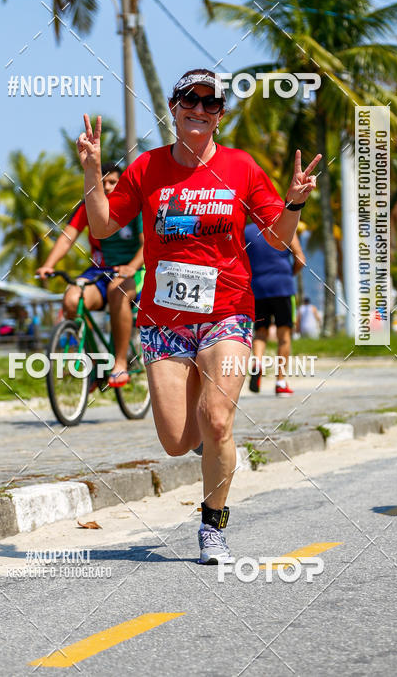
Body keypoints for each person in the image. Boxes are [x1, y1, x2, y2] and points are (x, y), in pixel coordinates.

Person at [76, 68, 321, 565]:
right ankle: (206, 442)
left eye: (212, 104)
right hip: (164, 321)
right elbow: (102, 224)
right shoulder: (146, 168)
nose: (201, 109)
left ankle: (213, 525)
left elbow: (276, 238)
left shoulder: (241, 167)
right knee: (175, 440)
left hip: (227, 312)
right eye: (192, 99)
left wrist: (293, 201)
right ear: (174, 107)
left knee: (217, 421)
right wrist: (92, 168)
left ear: (220, 115)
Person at [36, 162, 145, 387]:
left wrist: (132, 267)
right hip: (99, 272)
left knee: (118, 291)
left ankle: (121, 363)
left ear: (122, 183)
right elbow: (67, 237)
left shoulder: (135, 206)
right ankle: (96, 363)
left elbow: (149, 244)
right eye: (102, 182)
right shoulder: (88, 206)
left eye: (112, 182)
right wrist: (48, 265)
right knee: (71, 299)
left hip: (133, 270)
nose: (106, 187)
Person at [244, 224, 306, 395]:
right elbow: (300, 259)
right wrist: (288, 274)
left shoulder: (247, 232)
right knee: (284, 336)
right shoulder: (286, 227)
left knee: (260, 332)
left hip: (258, 288)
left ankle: (257, 363)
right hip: (283, 287)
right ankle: (280, 382)